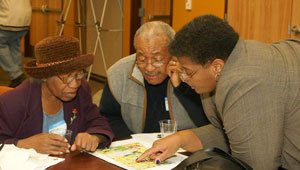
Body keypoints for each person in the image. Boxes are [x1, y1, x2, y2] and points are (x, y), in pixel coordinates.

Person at [137, 15, 300, 170]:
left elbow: (255, 165)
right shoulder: (233, 58)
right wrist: (181, 139)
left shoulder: (244, 83)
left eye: (188, 72)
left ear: (217, 67)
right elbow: (232, 130)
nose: (184, 78)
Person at [0, 36, 114, 155]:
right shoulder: (12, 102)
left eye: (79, 75)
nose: (75, 84)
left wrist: (94, 136)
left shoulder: (81, 89)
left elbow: (98, 121)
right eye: (66, 77)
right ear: (44, 76)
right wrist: (23, 144)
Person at [99, 21, 209, 139]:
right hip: (136, 147)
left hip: (185, 147)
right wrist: (131, 142)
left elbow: (207, 122)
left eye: (158, 59)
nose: (149, 68)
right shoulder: (119, 73)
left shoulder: (193, 73)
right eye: (141, 59)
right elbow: (108, 116)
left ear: (173, 53)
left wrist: (180, 87)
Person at [0, 0, 31, 87]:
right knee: (14, 44)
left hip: (8, 19)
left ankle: (17, 75)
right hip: (25, 20)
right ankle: (17, 79)